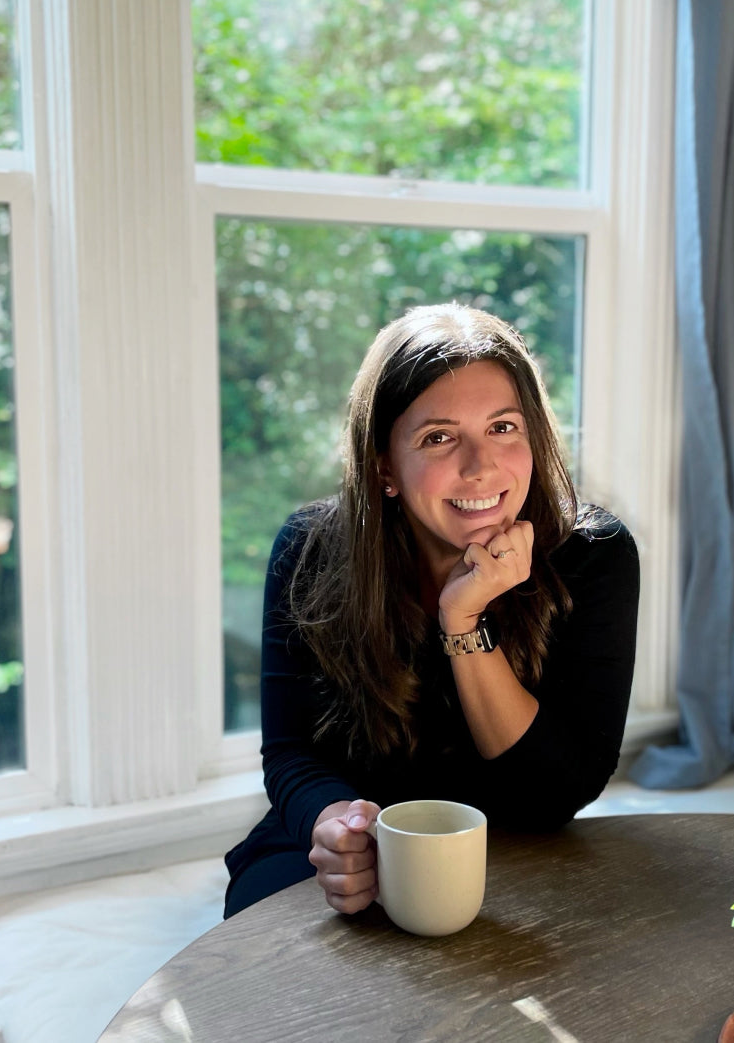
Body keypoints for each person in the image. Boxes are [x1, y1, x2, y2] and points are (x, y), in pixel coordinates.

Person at [224, 302, 640, 919]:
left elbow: (559, 794)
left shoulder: (593, 556)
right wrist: (337, 826)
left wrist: (463, 623)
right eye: (439, 437)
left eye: (503, 427)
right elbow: (292, 753)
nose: (481, 466)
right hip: (364, 833)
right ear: (384, 466)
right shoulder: (310, 550)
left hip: (515, 844)